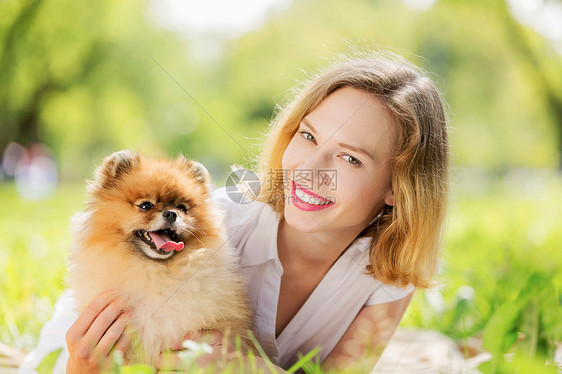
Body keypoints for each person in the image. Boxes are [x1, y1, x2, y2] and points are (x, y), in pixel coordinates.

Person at [19, 50, 449, 373]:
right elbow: (67, 341)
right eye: (308, 136)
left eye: (350, 159)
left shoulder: (388, 272)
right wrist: (79, 365)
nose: (310, 169)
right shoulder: (213, 229)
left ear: (398, 187)